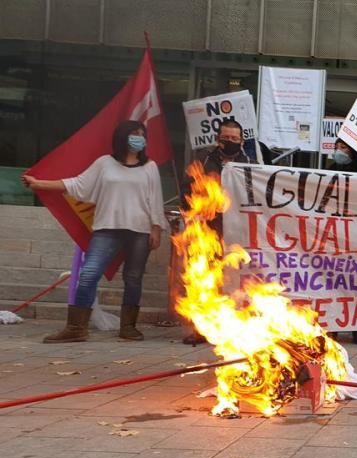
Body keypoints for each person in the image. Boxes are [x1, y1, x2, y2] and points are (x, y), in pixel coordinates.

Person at [22, 120, 168, 343]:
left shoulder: (149, 167)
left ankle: (128, 327)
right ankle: (76, 328)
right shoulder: (104, 164)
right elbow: (77, 184)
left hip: (140, 230)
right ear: (122, 137)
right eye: (134, 133)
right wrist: (39, 184)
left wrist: (157, 228)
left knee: (133, 278)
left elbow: (156, 200)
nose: (139, 138)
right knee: (88, 274)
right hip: (107, 229)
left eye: (142, 134)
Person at [181, 119, 252, 345]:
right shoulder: (203, 161)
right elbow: (186, 191)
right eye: (225, 138)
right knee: (204, 277)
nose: (229, 142)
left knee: (237, 280)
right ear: (217, 139)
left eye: (234, 138)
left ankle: (239, 326)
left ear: (242, 141)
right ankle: (201, 328)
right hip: (207, 230)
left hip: (239, 231)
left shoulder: (251, 163)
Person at [327, 139, 357, 345]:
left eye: (344, 148)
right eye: (337, 147)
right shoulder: (329, 170)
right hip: (335, 235)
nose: (340, 151)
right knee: (333, 284)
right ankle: (334, 327)